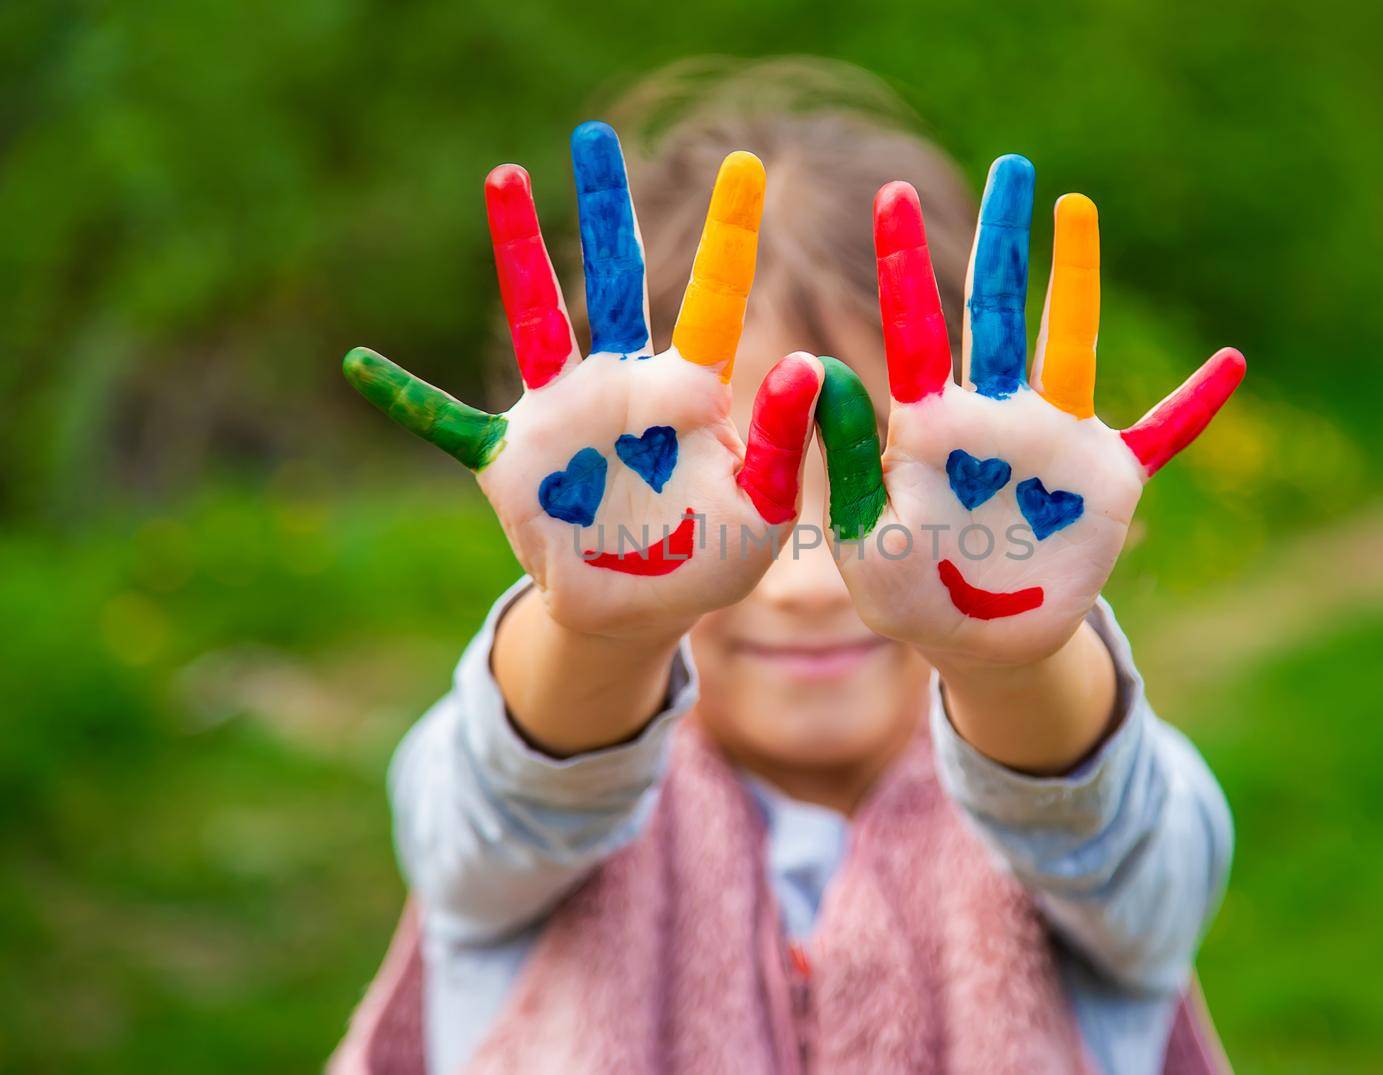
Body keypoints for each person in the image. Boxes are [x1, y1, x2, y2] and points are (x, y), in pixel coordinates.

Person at [333, 58, 1244, 1075]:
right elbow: (485, 812)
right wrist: (605, 623)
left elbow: (1141, 860)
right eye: (743, 483)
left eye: (877, 483)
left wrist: (1007, 657)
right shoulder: (520, 832)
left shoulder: (1092, 831)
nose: (806, 581)